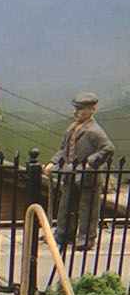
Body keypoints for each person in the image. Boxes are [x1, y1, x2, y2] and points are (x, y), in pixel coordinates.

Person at [44, 92, 116, 249]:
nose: (76, 112)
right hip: (71, 174)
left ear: (92, 110)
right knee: (66, 206)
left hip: (88, 177)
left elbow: (108, 148)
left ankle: (86, 239)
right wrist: (53, 162)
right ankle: (62, 235)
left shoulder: (94, 131)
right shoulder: (71, 129)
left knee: (87, 209)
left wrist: (89, 163)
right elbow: (63, 149)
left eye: (81, 109)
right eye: (76, 109)